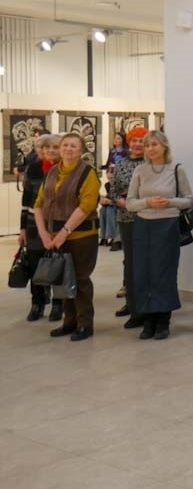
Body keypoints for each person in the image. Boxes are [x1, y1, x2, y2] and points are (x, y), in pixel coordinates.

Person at [126, 131, 193, 340]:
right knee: (143, 273)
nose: (150, 149)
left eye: (154, 144)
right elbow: (130, 203)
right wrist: (147, 202)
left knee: (163, 273)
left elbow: (189, 200)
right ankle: (148, 320)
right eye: (147, 145)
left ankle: (163, 320)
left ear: (165, 146)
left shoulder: (176, 169)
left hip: (167, 226)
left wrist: (169, 202)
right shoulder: (140, 170)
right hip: (142, 226)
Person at [35, 133, 101, 342]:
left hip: (82, 236)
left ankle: (84, 324)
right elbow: (38, 204)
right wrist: (44, 233)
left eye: (73, 146)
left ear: (81, 151)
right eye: (65, 145)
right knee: (62, 280)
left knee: (80, 280)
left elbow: (86, 206)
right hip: (54, 236)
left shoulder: (88, 173)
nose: (68, 149)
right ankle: (69, 321)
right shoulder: (52, 172)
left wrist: (64, 231)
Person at [20, 134, 61, 322]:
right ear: (41, 150)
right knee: (35, 264)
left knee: (58, 263)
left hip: (57, 224)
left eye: (55, 147)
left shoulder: (65, 169)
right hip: (33, 223)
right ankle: (37, 302)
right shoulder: (33, 169)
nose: (51, 151)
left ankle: (59, 304)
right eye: (47, 147)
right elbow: (26, 200)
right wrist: (22, 229)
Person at [111, 127, 147, 325]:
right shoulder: (120, 164)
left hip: (148, 218)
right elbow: (113, 191)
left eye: (141, 140)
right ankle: (132, 304)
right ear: (129, 143)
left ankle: (145, 306)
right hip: (126, 219)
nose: (137, 144)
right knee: (130, 263)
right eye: (134, 140)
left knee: (145, 263)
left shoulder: (151, 164)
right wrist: (123, 203)